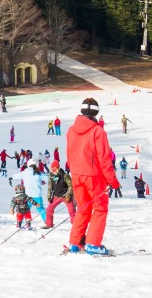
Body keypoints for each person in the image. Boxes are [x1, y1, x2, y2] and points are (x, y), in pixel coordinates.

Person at [65, 97, 120, 255]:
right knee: (100, 209)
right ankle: (93, 244)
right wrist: (113, 181)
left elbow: (69, 154)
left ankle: (75, 243)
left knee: (82, 208)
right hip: (93, 176)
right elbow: (104, 158)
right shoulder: (97, 131)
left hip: (76, 174)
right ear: (96, 112)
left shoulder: (71, 130)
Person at [44, 164, 74, 229]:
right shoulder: (51, 176)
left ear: (59, 168)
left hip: (65, 196)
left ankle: (75, 225)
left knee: (71, 210)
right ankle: (49, 224)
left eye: (55, 168)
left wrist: (68, 195)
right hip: (56, 196)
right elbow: (50, 187)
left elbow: (71, 186)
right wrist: (49, 195)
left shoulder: (65, 176)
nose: (54, 170)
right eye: (52, 169)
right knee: (49, 210)